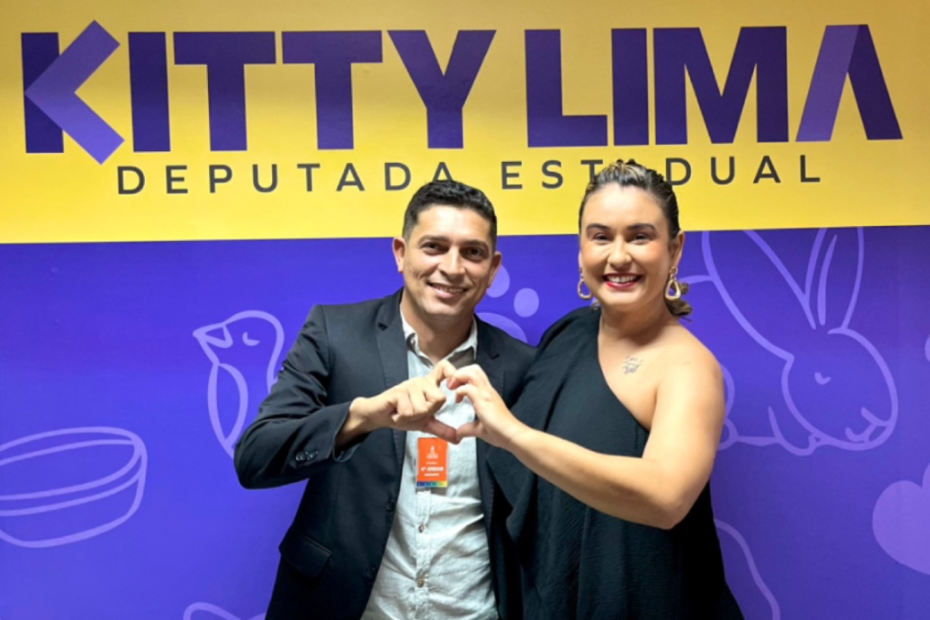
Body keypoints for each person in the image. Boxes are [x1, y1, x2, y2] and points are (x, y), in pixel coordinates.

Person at [449, 160, 743, 619]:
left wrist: (513, 434)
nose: (618, 256)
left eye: (640, 236)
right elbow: (520, 483)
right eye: (601, 237)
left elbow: (665, 498)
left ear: (675, 249)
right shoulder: (568, 334)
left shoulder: (687, 366)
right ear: (581, 248)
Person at [234, 180, 534, 620]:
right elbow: (255, 458)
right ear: (400, 252)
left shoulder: (524, 366)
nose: (452, 268)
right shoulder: (334, 334)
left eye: (472, 252)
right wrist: (362, 416)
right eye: (434, 247)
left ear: (492, 268)